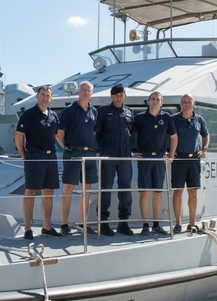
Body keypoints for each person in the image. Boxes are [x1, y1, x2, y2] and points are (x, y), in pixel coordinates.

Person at [14, 85, 61, 239]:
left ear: (51, 98)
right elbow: (18, 136)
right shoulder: (29, 114)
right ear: (37, 96)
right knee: (31, 191)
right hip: (35, 156)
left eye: (48, 95)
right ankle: (28, 228)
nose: (45, 98)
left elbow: (56, 135)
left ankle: (46, 226)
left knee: (48, 191)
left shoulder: (53, 115)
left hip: (51, 157)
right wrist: (24, 156)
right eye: (42, 94)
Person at [55, 80, 98, 236]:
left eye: (89, 90)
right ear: (78, 91)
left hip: (90, 154)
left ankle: (82, 223)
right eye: (83, 90)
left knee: (87, 189)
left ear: (92, 93)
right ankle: (64, 224)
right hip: (73, 153)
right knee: (68, 188)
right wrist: (67, 147)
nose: (86, 93)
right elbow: (59, 134)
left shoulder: (94, 111)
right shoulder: (68, 111)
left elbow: (94, 133)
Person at [132, 91, 177, 235]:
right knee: (144, 192)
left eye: (158, 99)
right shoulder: (139, 118)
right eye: (153, 99)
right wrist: (131, 153)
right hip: (144, 158)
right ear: (148, 101)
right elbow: (127, 135)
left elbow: (174, 137)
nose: (155, 101)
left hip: (159, 159)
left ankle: (156, 224)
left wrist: (171, 155)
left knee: (158, 192)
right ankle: (145, 224)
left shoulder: (166, 117)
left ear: (162, 103)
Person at [94, 83, 134, 236]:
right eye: (116, 95)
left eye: (121, 95)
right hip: (108, 156)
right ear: (111, 96)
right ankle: (103, 222)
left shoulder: (129, 112)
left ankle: (123, 222)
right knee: (105, 189)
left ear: (125, 96)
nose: (119, 98)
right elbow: (96, 133)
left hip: (124, 157)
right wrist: (102, 149)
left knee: (125, 190)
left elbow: (131, 133)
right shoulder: (103, 111)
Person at [171, 94, 209, 233]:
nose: (187, 104)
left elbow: (206, 135)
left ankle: (192, 223)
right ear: (181, 103)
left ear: (194, 103)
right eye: (184, 102)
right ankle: (178, 223)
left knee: (193, 192)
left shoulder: (199, 119)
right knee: (178, 192)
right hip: (179, 159)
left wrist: (204, 148)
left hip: (194, 160)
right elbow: (166, 135)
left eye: (189, 101)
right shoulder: (173, 119)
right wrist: (169, 152)